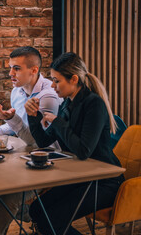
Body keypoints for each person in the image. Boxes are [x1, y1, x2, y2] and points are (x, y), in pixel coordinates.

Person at [26, 52, 125, 235]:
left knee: (52, 221)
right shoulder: (67, 104)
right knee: (36, 210)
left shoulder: (94, 104)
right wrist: (33, 117)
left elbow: (83, 150)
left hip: (104, 182)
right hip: (81, 177)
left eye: (57, 81)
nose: (53, 86)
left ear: (73, 79)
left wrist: (57, 122)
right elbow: (44, 141)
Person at [0, 46, 62, 235]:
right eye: (10, 68)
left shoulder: (48, 97)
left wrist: (11, 119)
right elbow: (18, 127)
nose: (10, 73)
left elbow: (37, 141)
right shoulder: (17, 91)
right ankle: (34, 214)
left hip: (49, 164)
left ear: (34, 70)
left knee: (8, 195)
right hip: (26, 156)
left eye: (16, 68)